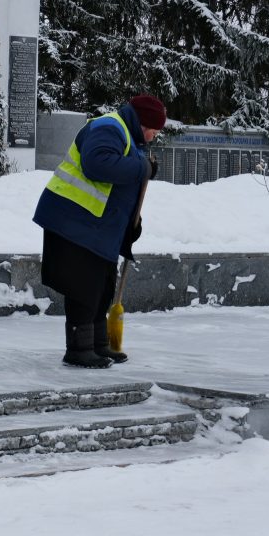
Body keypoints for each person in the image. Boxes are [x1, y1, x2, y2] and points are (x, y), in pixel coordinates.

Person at [33, 94, 166, 368]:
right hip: (73, 219)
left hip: (92, 225)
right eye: (154, 129)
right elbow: (97, 165)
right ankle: (79, 349)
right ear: (143, 123)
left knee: (102, 286)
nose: (154, 137)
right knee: (84, 286)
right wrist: (143, 167)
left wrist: (131, 225)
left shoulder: (128, 137)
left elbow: (117, 190)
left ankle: (98, 344)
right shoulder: (109, 127)